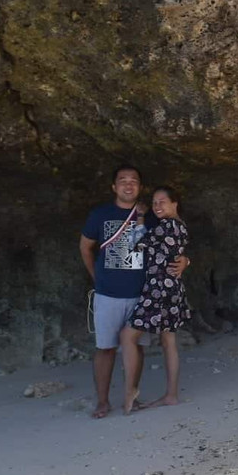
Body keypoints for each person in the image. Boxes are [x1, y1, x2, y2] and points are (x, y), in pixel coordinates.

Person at [79, 165, 188, 419]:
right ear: (114, 187)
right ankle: (103, 402)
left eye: (134, 181)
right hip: (108, 293)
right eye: (123, 180)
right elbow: (85, 248)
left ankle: (132, 396)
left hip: (142, 294)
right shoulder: (100, 214)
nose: (128, 185)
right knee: (106, 348)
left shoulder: (152, 216)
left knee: (135, 345)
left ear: (140, 186)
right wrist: (97, 278)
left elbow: (173, 244)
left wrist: (186, 261)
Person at [120, 186, 192, 413]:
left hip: (158, 290)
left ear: (174, 203)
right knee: (169, 342)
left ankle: (131, 390)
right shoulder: (180, 225)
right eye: (154, 202)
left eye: (162, 201)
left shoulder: (167, 225)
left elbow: (135, 244)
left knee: (127, 336)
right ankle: (171, 395)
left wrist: (141, 217)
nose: (157, 206)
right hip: (172, 288)